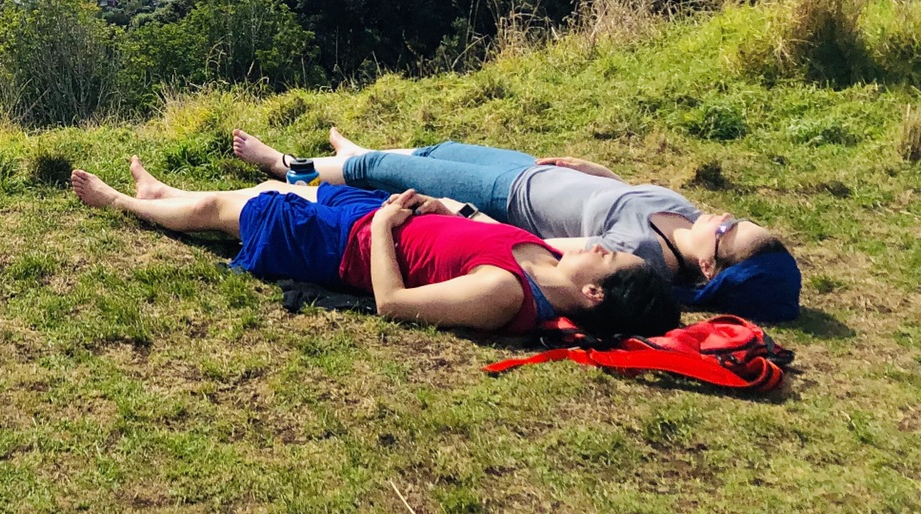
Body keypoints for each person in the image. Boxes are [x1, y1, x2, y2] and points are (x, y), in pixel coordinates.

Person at [232, 128, 801, 323]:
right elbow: (620, 193)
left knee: (381, 171)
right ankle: (355, 154)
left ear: (707, 267)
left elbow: (550, 252)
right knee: (437, 149)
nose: (723, 218)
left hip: (507, 196)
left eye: (728, 234)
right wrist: (594, 170)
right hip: (525, 169)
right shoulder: (685, 214)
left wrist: (466, 217)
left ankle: (284, 164)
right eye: (739, 219)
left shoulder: (639, 256)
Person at [71, 157, 679, 336]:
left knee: (224, 213)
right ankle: (162, 191)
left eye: (608, 255)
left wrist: (387, 229)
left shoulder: (503, 293)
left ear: (593, 291)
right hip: (375, 220)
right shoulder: (547, 257)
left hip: (349, 247)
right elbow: (473, 230)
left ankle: (126, 205)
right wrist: (442, 209)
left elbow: (392, 302)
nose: (599, 245)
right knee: (263, 186)